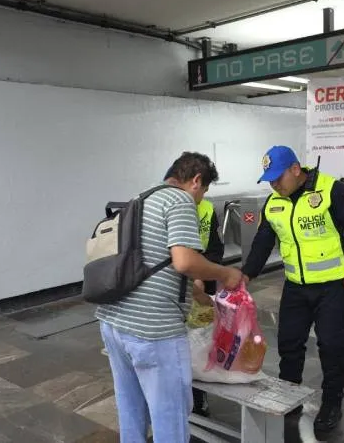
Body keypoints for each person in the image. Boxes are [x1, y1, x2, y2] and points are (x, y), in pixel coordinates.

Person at [96, 152, 242, 443]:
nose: (200, 200)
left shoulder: (140, 199)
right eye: (204, 192)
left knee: (130, 407)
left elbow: (155, 262)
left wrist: (199, 296)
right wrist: (224, 274)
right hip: (153, 330)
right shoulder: (179, 200)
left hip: (114, 322)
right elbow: (184, 262)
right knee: (170, 416)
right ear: (196, 181)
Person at [241, 145, 344, 437]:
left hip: (334, 287)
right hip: (296, 287)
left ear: (295, 170)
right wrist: (246, 274)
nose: (274, 184)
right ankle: (289, 397)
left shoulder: (331, 191)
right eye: (269, 179)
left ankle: (331, 403)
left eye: (278, 177)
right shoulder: (274, 202)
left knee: (332, 346)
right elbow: (263, 241)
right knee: (289, 344)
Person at [162, 168, 225, 417]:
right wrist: (191, 278)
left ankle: (199, 400)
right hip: (175, 287)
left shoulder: (206, 208)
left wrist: (203, 277)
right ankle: (179, 398)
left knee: (200, 341)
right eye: (205, 189)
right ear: (195, 182)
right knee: (179, 341)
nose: (203, 196)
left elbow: (214, 247)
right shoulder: (169, 207)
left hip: (200, 285)